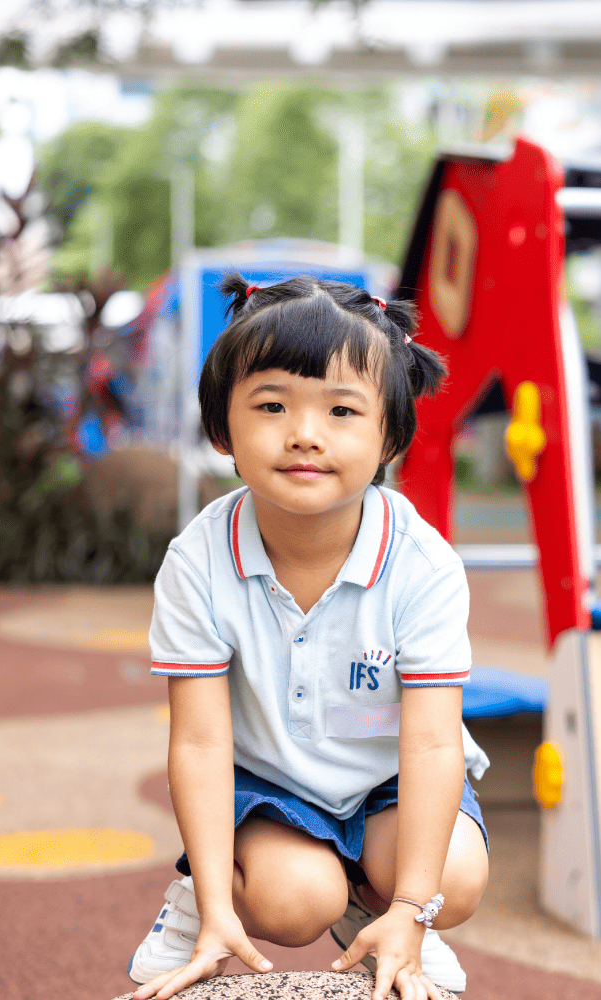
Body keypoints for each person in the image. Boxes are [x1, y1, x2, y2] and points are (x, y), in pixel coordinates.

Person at [128, 274, 490, 1000]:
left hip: (389, 780)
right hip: (273, 784)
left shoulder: (421, 564)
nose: (304, 434)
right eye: (271, 405)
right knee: (294, 902)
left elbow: (429, 743)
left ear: (390, 432)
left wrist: (414, 913)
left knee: (454, 876)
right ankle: (204, 896)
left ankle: (379, 906)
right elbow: (200, 742)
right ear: (222, 429)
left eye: (342, 409)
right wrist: (219, 909)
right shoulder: (198, 560)